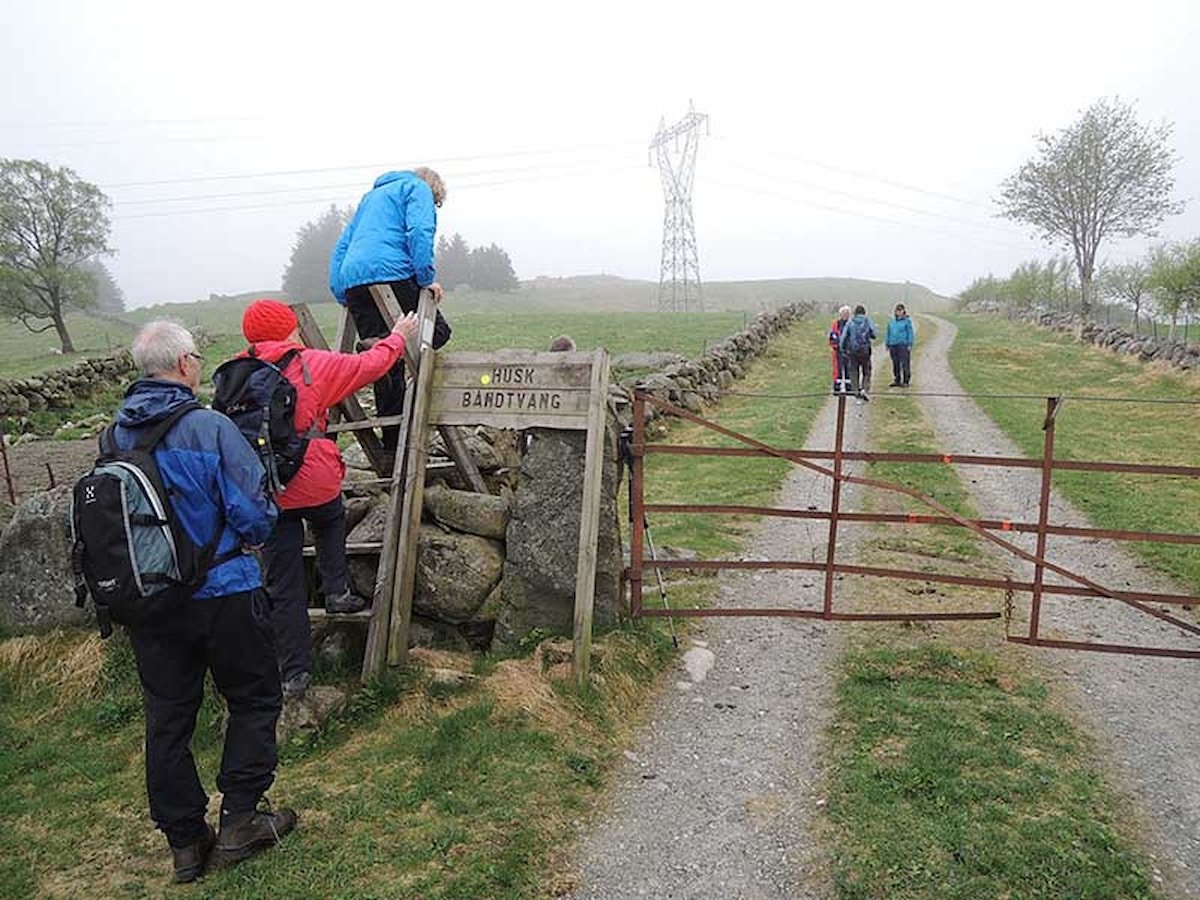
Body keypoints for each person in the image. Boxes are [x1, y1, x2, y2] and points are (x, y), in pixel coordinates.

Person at [112, 321, 294, 882]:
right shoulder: (209, 428)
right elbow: (254, 512)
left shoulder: (113, 437)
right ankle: (240, 818)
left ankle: (186, 844)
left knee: (167, 719)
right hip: (225, 591)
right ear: (186, 364)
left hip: (151, 603)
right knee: (254, 697)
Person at [237, 299, 419, 700]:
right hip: (312, 478)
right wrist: (398, 337)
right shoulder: (311, 363)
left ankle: (294, 675)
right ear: (289, 329)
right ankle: (338, 591)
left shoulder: (235, 375)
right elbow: (368, 366)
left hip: (265, 489)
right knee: (330, 517)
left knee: (283, 587)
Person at [329, 167, 451, 466]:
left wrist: (341, 290)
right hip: (392, 273)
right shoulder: (416, 189)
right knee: (438, 332)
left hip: (354, 281)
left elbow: (343, 245)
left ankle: (391, 447)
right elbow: (420, 231)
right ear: (433, 189)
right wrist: (425, 278)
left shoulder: (371, 198)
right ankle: (399, 364)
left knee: (385, 365)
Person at [839, 304, 877, 403]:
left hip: (853, 352)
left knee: (853, 372)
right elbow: (874, 334)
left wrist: (842, 349)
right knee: (867, 371)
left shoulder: (850, 322)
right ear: (864, 312)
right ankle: (865, 389)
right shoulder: (867, 321)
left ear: (855, 313)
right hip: (865, 351)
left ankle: (856, 393)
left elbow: (843, 337)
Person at [885, 303, 915, 387]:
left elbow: (910, 333)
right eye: (897, 310)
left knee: (905, 363)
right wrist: (887, 343)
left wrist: (910, 343)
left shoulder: (907, 321)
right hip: (893, 344)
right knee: (895, 363)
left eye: (900, 310)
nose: (899, 312)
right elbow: (888, 332)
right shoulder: (892, 322)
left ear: (903, 311)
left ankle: (906, 381)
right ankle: (897, 379)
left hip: (903, 345)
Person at [828, 305, 852, 394]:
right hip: (838, 350)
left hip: (849, 350)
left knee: (848, 369)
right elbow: (832, 335)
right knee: (837, 370)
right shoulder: (836, 324)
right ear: (840, 314)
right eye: (844, 313)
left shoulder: (851, 324)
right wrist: (835, 345)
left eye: (847, 313)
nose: (845, 315)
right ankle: (837, 388)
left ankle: (849, 387)